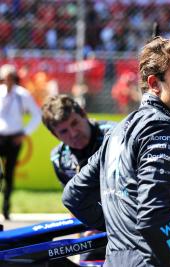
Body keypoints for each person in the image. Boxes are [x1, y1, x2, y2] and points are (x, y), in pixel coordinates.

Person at [62, 36, 170, 267]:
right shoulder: (163, 130)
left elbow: (74, 196)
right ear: (153, 83)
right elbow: (155, 219)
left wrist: (123, 228)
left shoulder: (118, 130)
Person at [41, 94, 115, 265]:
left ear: (83, 114)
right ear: (55, 135)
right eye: (63, 131)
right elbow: (75, 204)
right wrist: (81, 236)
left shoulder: (116, 136)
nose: (73, 133)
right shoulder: (60, 159)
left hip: (129, 222)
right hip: (93, 229)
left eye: (74, 123)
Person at [0, 64, 41, 220]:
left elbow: (36, 115)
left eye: (10, 77)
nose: (7, 80)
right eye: (5, 77)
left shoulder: (22, 94)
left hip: (14, 138)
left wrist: (24, 133)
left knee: (9, 173)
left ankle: (6, 207)